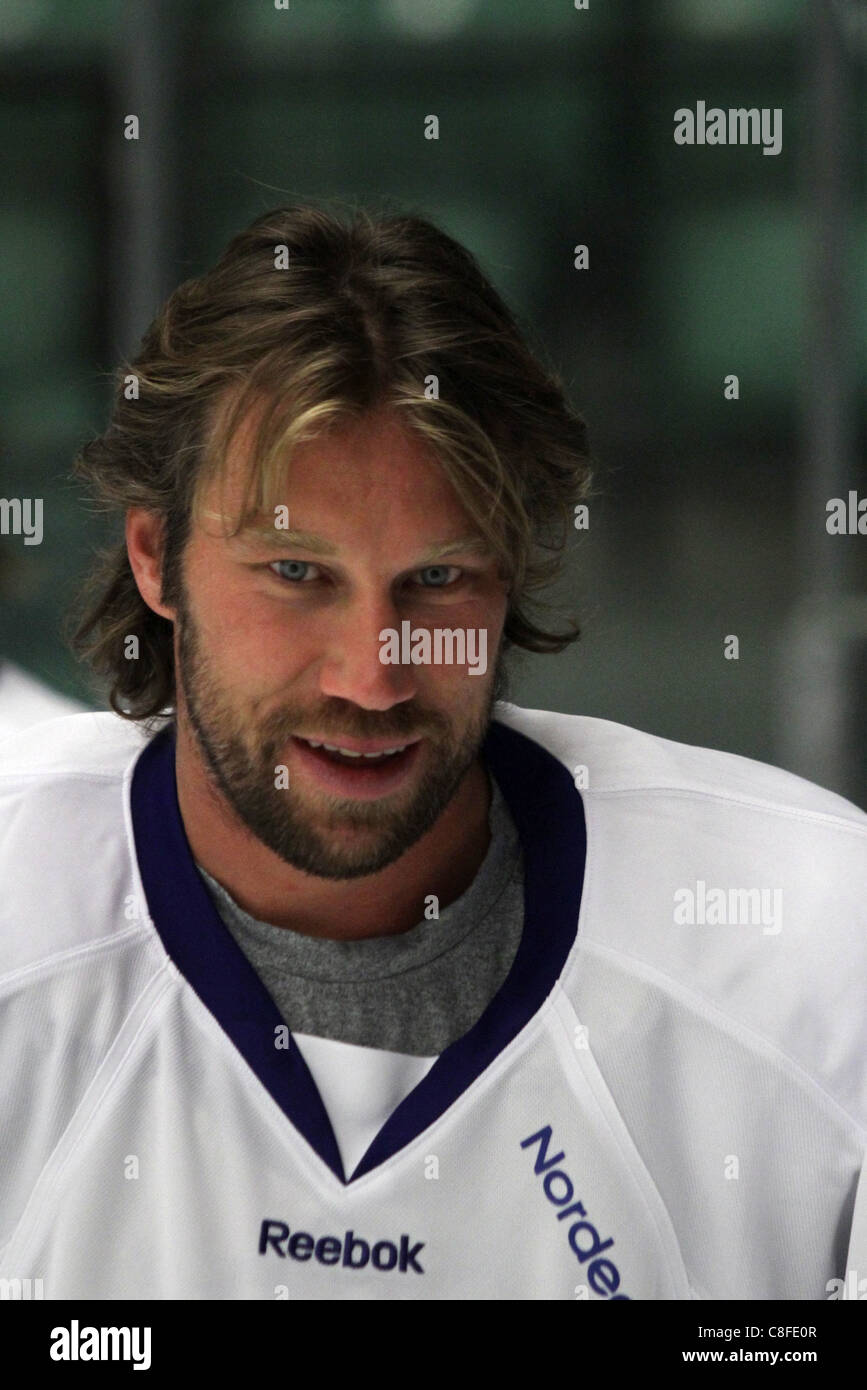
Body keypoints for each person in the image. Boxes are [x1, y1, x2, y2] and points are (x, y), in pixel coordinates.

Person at [1, 203, 865, 1301]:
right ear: (154, 559)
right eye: (298, 575)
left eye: (438, 580)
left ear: (512, 574)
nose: (372, 676)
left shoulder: (821, 951)